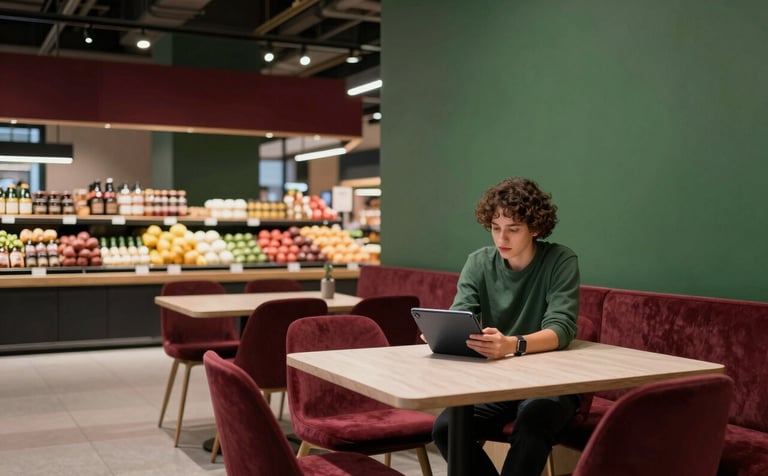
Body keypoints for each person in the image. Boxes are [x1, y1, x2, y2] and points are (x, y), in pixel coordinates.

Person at [432, 176, 581, 476]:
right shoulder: (478, 262)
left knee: (532, 428)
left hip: (550, 383)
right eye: (495, 228)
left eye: (513, 230)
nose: (502, 239)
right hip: (499, 383)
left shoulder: (560, 260)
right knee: (447, 428)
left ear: (535, 228)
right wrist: (443, 333)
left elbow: (562, 328)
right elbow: (461, 313)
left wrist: (513, 345)